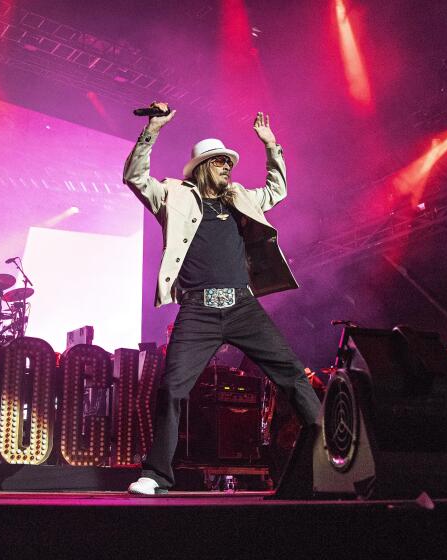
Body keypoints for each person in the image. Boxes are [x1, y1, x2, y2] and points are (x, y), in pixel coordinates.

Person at [123, 102, 321, 494]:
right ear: (200, 168)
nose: (227, 167)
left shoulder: (240, 197)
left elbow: (277, 190)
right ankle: (157, 474)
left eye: (228, 162)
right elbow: (135, 176)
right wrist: (153, 130)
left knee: (293, 376)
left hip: (242, 306)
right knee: (173, 387)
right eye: (218, 162)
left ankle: (333, 452)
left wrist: (270, 145)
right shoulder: (173, 195)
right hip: (198, 309)